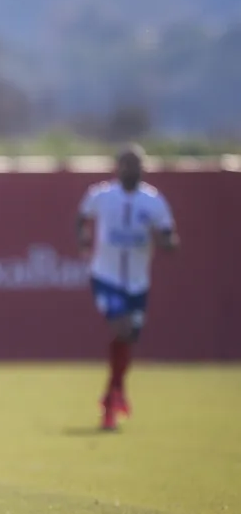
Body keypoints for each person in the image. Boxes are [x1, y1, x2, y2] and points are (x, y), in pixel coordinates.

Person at [76, 143, 179, 431]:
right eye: (126, 164)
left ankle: (114, 392)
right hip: (106, 278)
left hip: (137, 283)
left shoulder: (153, 201)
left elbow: (170, 235)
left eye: (136, 164)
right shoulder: (102, 195)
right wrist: (83, 238)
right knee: (121, 329)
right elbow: (82, 217)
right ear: (117, 167)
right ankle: (112, 402)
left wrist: (167, 242)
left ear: (143, 168)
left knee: (129, 338)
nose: (130, 169)